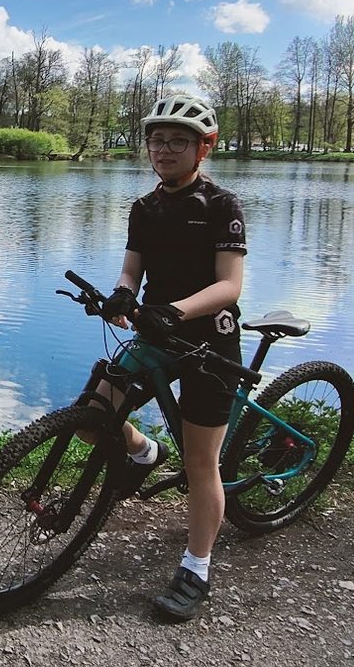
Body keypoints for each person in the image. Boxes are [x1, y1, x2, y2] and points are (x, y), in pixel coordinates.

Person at [98, 94, 246, 622]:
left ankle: (196, 567)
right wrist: (122, 293)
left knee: (200, 462)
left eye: (178, 141)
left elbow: (229, 286)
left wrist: (176, 311)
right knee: (93, 416)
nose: (163, 150)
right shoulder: (145, 207)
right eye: (156, 140)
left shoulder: (221, 206)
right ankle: (143, 452)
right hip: (157, 335)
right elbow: (132, 268)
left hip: (210, 344)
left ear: (203, 148)